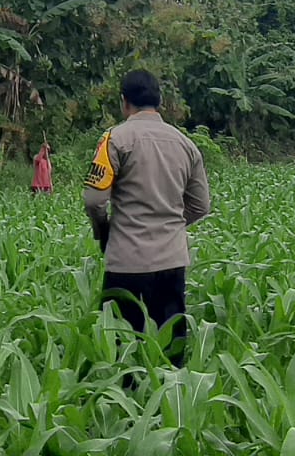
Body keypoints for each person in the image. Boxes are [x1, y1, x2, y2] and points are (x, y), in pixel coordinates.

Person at [83, 69, 211, 368]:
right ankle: (171, 410)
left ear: (124, 102)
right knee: (171, 353)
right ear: (160, 101)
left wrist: (105, 230)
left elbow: (94, 199)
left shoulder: (114, 139)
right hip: (171, 262)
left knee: (123, 352)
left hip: (127, 262)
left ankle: (128, 412)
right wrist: (170, 224)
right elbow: (201, 205)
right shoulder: (186, 144)